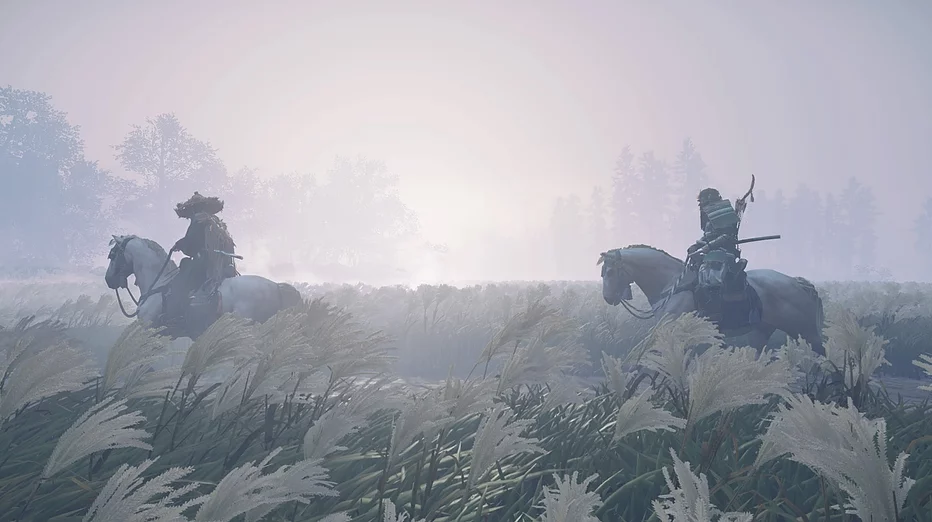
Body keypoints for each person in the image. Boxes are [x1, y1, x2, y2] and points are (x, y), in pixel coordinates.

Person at [163, 192, 236, 327]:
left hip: (203, 262)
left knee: (179, 283)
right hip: (218, 262)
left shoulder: (198, 221)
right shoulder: (215, 222)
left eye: (192, 210)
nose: (191, 214)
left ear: (194, 209)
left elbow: (192, 244)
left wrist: (179, 245)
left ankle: (178, 315)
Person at [686, 187, 747, 283]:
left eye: (703, 202)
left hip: (723, 250)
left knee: (713, 273)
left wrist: (707, 247)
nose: (701, 206)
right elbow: (708, 236)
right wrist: (697, 245)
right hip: (710, 248)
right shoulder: (708, 220)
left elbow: (727, 236)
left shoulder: (723, 216)